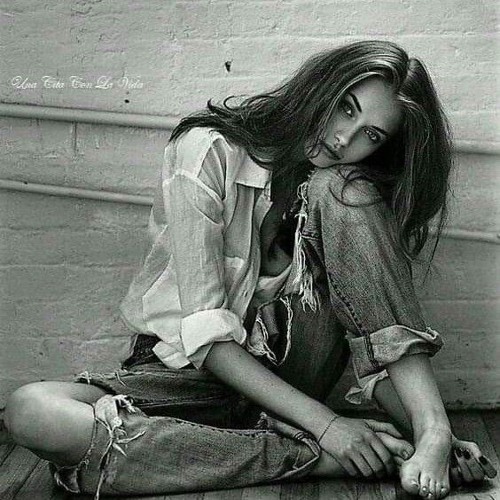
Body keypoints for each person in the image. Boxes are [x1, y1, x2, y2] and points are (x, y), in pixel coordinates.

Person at [4, 40, 497, 499]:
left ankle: (210, 454)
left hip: (293, 381)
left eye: (371, 135)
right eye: (346, 107)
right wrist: (328, 427)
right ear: (320, 86)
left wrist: (433, 436)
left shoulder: (341, 194)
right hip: (188, 375)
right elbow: (208, 340)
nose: (344, 138)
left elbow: (372, 337)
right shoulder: (208, 150)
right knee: (33, 412)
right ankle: (311, 456)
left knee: (343, 190)